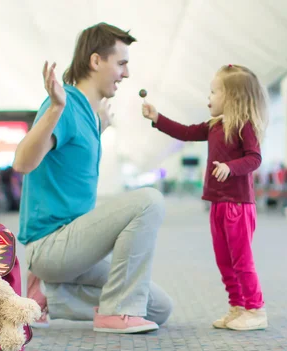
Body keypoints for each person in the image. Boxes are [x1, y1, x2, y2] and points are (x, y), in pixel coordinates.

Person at [13, 22, 173, 334]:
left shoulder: (87, 114)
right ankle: (117, 312)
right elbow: (22, 162)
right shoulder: (64, 104)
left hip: (73, 247)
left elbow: (70, 158)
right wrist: (55, 108)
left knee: (158, 307)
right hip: (49, 247)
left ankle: (47, 296)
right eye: (121, 63)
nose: (125, 74)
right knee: (148, 201)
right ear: (96, 61)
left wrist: (100, 127)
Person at [141, 64, 268, 331]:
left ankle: (255, 309)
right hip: (219, 205)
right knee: (224, 260)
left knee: (241, 260)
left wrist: (230, 167)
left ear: (232, 97)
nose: (208, 98)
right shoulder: (214, 126)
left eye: (213, 92)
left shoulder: (244, 126)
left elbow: (254, 158)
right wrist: (157, 118)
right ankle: (237, 307)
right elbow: (185, 132)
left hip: (238, 205)